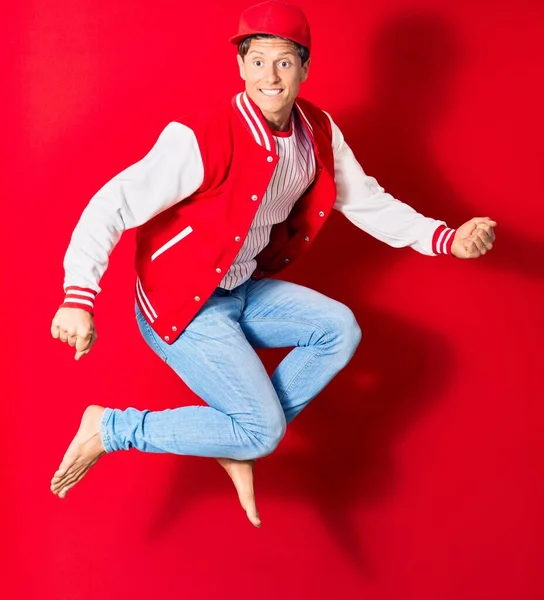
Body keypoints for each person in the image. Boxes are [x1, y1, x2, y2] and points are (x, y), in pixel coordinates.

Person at [49, 0, 496, 527]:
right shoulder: (203, 137)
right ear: (240, 67)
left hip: (241, 289)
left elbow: (367, 202)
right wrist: (79, 295)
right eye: (257, 60)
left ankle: (238, 440)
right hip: (183, 306)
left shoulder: (317, 134)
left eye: (284, 61)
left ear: (305, 68)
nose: (270, 76)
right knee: (262, 430)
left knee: (338, 329)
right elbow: (112, 203)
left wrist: (446, 238)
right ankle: (113, 428)